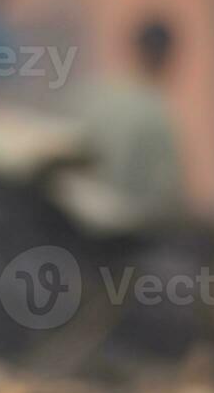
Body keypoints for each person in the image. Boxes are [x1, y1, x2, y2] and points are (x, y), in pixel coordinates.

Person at [55, 15, 188, 235]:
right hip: (120, 237)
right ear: (168, 59)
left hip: (67, 224)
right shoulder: (157, 115)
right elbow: (168, 195)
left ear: (132, 47)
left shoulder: (87, 93)